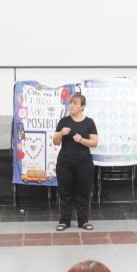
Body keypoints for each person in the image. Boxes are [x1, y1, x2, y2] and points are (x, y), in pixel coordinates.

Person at [53, 93, 98, 231]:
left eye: (75, 103)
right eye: (70, 103)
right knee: (65, 192)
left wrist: (81, 140)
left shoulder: (89, 122)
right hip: (65, 162)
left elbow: (94, 142)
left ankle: (83, 221)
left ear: (82, 107)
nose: (71, 105)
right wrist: (61, 133)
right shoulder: (63, 121)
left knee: (83, 192)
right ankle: (64, 221)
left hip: (84, 163)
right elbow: (55, 141)